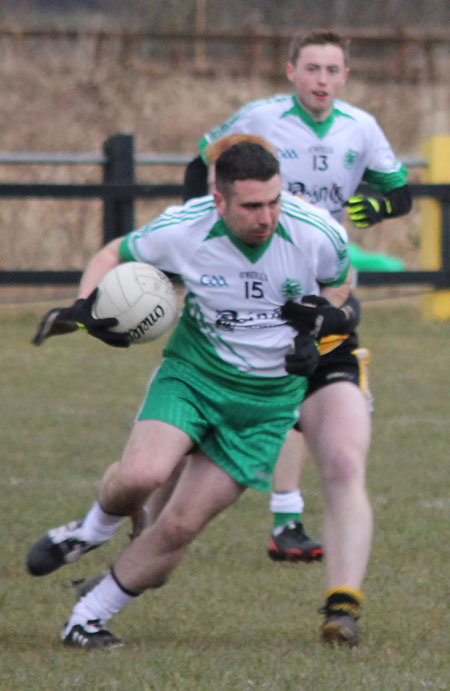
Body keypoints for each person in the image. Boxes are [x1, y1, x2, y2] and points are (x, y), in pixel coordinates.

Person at [26, 141, 354, 649]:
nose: (266, 217)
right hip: (194, 375)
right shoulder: (184, 228)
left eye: (273, 202)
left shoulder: (315, 232)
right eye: (250, 206)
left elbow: (340, 284)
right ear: (219, 201)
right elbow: (115, 251)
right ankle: (90, 531)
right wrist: (84, 305)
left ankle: (85, 619)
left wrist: (322, 327)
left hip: (266, 404)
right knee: (141, 476)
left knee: (179, 525)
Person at [183, 32, 412, 641]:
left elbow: (400, 195)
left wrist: (374, 212)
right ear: (291, 70)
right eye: (311, 67)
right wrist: (197, 226)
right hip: (258, 274)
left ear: (344, 75)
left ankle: (301, 541)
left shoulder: (361, 127)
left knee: (314, 398)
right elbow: (200, 160)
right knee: (254, 392)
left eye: (333, 69)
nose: (322, 78)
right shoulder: (259, 119)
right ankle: (149, 504)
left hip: (328, 281)